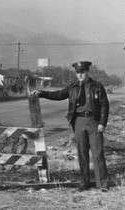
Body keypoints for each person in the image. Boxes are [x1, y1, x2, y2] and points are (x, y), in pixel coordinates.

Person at [31, 61, 110, 192]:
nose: (80, 75)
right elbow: (58, 95)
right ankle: (84, 183)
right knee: (82, 153)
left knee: (98, 153)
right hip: (78, 121)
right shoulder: (72, 87)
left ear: (87, 72)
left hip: (94, 122)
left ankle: (102, 184)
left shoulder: (97, 86)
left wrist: (102, 122)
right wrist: (41, 93)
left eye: (83, 72)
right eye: (78, 72)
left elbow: (104, 105)